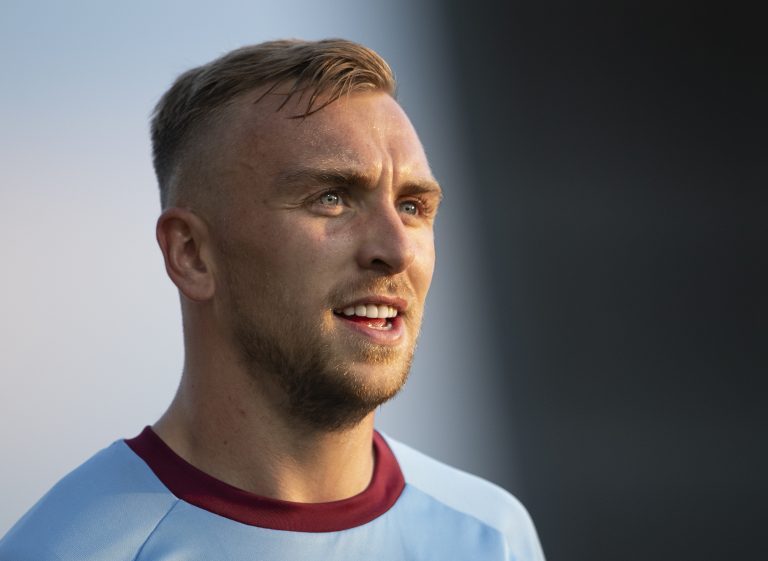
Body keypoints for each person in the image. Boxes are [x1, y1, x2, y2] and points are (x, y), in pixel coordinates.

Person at [0, 39, 545, 560]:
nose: (396, 250)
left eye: (413, 206)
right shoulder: (63, 550)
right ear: (191, 253)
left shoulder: (492, 534)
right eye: (331, 199)